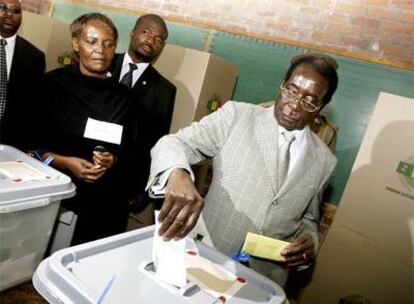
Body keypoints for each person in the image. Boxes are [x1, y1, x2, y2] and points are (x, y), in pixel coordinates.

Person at [148, 54, 339, 286]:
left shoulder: (325, 160)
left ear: (321, 105)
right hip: (205, 256)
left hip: (264, 277)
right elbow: (174, 143)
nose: (294, 105)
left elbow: (308, 217)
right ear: (282, 84)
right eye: (291, 90)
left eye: (309, 101)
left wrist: (309, 239)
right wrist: (177, 173)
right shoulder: (237, 116)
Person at [33, 13, 138, 245]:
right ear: (75, 43)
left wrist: (114, 160)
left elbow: (134, 153)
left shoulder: (126, 98)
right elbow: (32, 149)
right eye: (92, 41)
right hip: (56, 196)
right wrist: (64, 162)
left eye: (108, 44)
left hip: (104, 207)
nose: (100, 49)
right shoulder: (52, 85)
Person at [111, 14, 176, 216]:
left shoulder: (165, 91)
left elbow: (156, 143)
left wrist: (144, 189)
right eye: (146, 32)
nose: (151, 40)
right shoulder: (102, 61)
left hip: (121, 186)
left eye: (159, 39)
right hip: (81, 169)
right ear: (132, 32)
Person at [0, 0, 45, 148]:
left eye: (16, 10)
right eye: (3, 7)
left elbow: (33, 107)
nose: (9, 14)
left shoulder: (35, 57)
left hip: (10, 142)